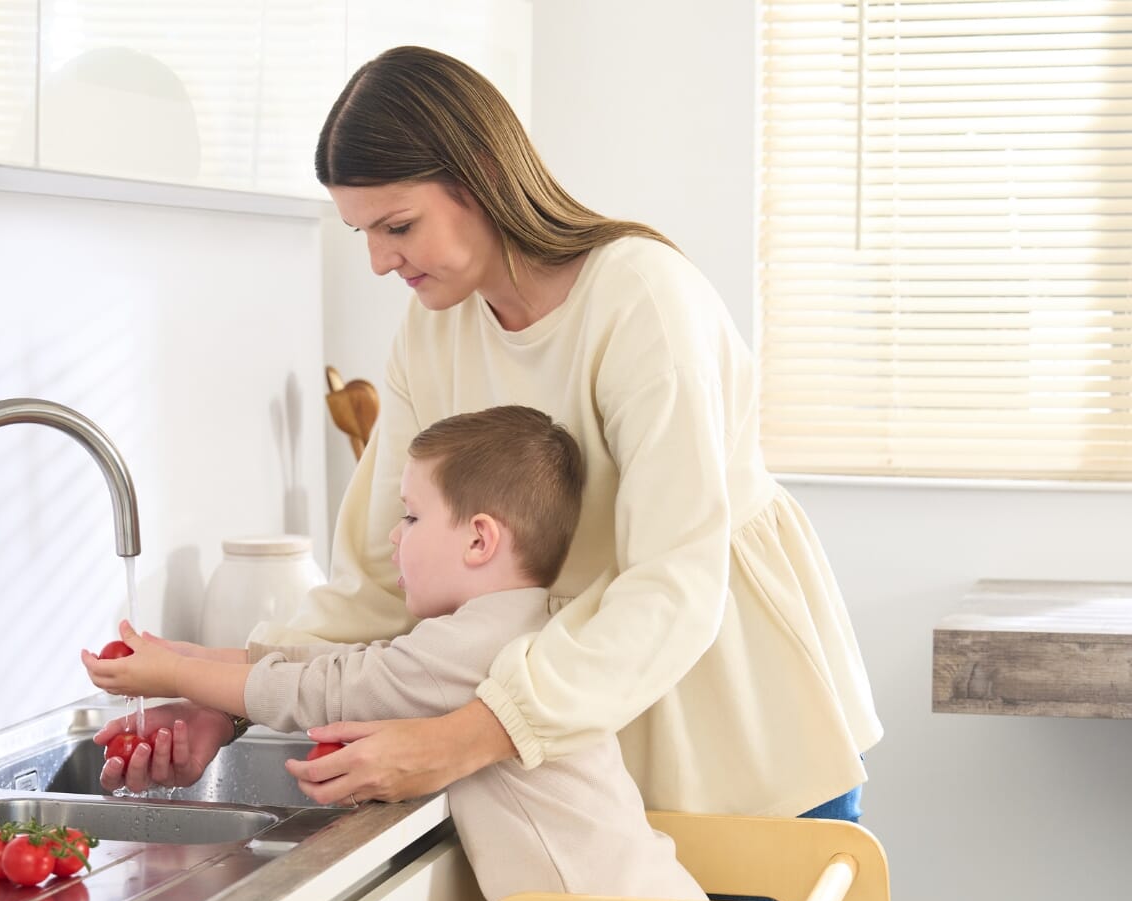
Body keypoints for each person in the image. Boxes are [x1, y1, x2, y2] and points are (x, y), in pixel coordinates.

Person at [98, 44, 881, 830]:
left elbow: (671, 586)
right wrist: (230, 707)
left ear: (480, 175)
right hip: (574, 754)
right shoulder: (433, 334)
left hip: (737, 734)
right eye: (362, 232)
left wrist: (464, 739)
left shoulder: (639, 299)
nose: (376, 261)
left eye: (397, 225)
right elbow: (379, 575)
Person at [85, 406, 728, 901]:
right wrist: (189, 657)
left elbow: (333, 685)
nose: (394, 538)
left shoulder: (467, 645)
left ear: (479, 540)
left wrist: (178, 677)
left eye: (411, 516)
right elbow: (353, 660)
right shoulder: (514, 628)